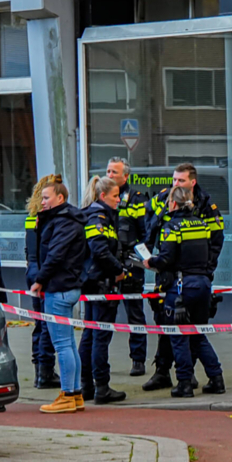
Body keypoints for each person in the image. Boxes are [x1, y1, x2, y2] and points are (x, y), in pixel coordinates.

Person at [142, 163, 225, 393]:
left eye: (180, 180)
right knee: (193, 333)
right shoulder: (169, 204)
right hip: (195, 282)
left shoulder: (205, 207)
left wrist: (151, 262)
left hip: (180, 282)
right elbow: (150, 230)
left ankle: (185, 382)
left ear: (192, 182)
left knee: (177, 333)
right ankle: (213, 378)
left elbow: (215, 243)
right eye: (174, 179)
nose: (174, 184)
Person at [32, 177, 89, 414]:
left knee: (62, 344)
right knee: (69, 345)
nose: (42, 202)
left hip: (59, 287)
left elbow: (54, 255)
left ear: (60, 198)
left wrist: (39, 280)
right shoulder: (67, 219)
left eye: (46, 198)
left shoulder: (63, 221)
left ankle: (67, 395)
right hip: (68, 286)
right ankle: (75, 394)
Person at [77, 175, 128, 404]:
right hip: (101, 284)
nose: (119, 199)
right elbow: (99, 250)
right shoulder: (97, 218)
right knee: (100, 336)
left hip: (94, 283)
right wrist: (118, 270)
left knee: (90, 334)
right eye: (115, 196)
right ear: (102, 196)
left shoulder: (97, 215)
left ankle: (87, 386)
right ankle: (102, 387)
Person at [104, 157, 150, 376]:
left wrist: (142, 258)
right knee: (105, 313)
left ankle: (138, 360)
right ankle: (100, 360)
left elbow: (146, 234)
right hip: (108, 263)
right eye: (108, 171)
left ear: (126, 177)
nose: (110, 175)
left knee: (135, 314)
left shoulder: (137, 199)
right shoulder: (100, 197)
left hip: (131, 263)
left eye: (114, 172)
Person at [25, 175, 60, 389]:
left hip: (32, 271)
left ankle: (40, 369)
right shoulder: (47, 217)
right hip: (43, 274)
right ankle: (45, 372)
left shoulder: (31, 216)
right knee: (47, 324)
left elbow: (29, 250)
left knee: (40, 323)